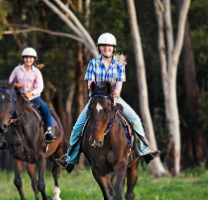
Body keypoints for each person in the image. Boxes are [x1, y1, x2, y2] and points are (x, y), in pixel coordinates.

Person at [55, 33, 160, 170]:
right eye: (103, 46)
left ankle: (144, 150)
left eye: (109, 47)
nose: (106, 49)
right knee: (77, 128)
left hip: (114, 99)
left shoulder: (119, 64)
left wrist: (115, 93)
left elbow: (119, 84)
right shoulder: (93, 63)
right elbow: (90, 82)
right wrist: (93, 89)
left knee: (135, 120)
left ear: (113, 48)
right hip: (96, 100)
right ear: (99, 48)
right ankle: (70, 158)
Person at [0, 47, 56, 150]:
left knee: (45, 109)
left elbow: (40, 87)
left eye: (30, 58)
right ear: (23, 59)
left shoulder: (36, 72)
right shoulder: (17, 70)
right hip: (18, 97)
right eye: (26, 58)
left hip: (33, 98)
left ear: (34, 59)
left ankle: (48, 132)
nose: (28, 60)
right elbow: (9, 83)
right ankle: (5, 139)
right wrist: (16, 85)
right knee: (8, 112)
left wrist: (31, 93)